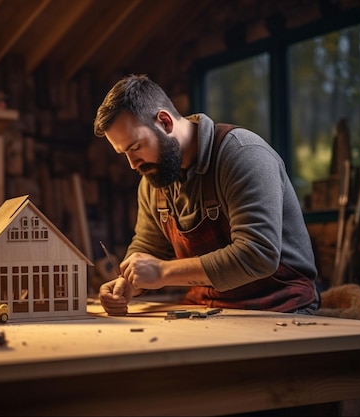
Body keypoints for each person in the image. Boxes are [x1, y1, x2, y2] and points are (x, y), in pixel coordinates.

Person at [93, 74, 320, 316]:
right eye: (123, 153)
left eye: (136, 147)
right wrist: (128, 283)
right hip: (208, 309)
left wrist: (161, 273)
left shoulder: (243, 155)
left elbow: (258, 254)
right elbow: (148, 248)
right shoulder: (154, 177)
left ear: (165, 122)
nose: (132, 164)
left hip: (279, 306)